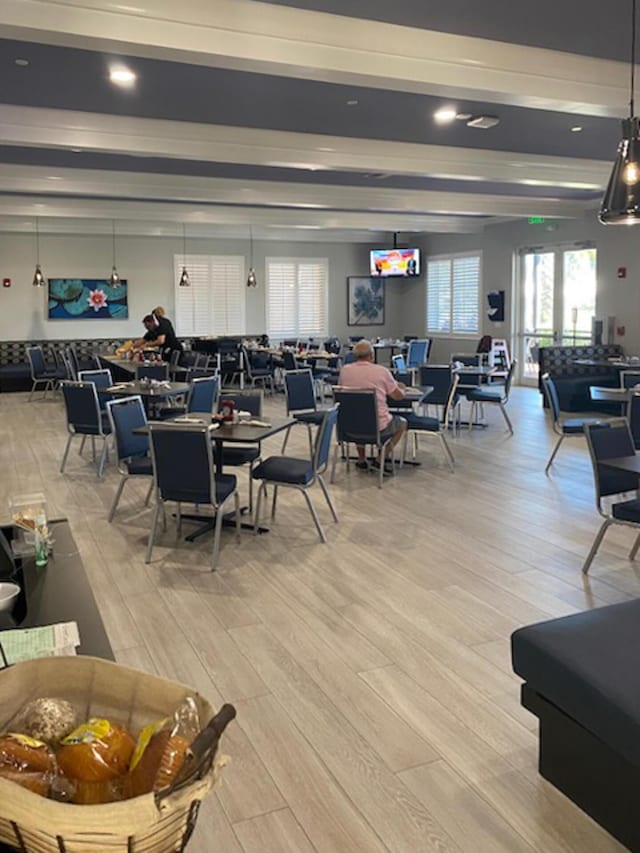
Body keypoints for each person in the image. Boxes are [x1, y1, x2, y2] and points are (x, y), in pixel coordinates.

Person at [338, 339, 407, 471]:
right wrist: (403, 389)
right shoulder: (382, 371)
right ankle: (380, 459)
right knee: (402, 423)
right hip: (377, 428)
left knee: (358, 413)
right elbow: (397, 396)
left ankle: (362, 459)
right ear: (372, 355)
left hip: (350, 426)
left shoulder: (345, 371)